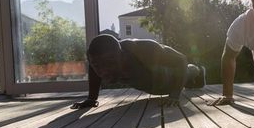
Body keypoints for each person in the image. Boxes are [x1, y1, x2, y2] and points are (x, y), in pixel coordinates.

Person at [71, 34, 205, 109]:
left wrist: (175, 94)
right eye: (97, 66)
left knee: (187, 72)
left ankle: (199, 71)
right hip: (150, 85)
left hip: (167, 78)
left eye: (110, 63)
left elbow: (181, 59)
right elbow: (95, 70)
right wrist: (91, 98)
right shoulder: (97, 61)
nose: (103, 71)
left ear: (122, 54)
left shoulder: (143, 49)